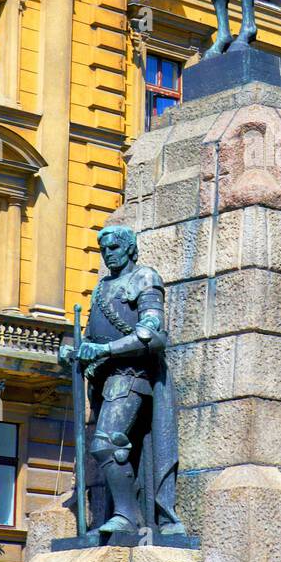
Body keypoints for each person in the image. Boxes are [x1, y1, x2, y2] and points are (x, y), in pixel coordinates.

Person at [62, 225, 184, 539]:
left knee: (106, 443)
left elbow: (151, 333)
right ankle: (124, 514)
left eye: (114, 248)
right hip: (104, 379)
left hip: (132, 376)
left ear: (129, 248)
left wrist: (105, 350)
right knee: (103, 446)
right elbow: (92, 335)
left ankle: (127, 516)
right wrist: (74, 351)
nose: (107, 255)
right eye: (103, 250)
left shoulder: (145, 278)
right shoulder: (103, 288)